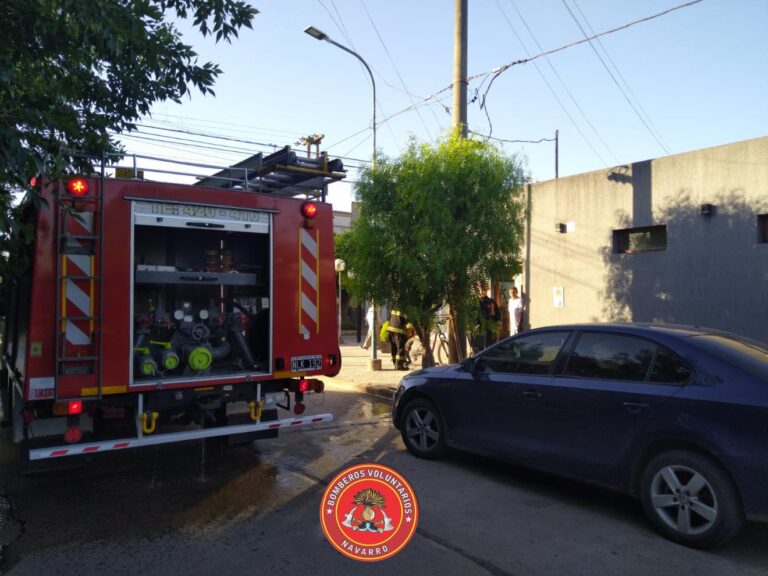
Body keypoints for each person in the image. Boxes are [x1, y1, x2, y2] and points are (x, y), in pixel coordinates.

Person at [471, 282, 500, 355]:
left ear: (487, 290)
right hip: (478, 329)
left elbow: (497, 315)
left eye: (484, 289)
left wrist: (495, 316)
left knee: (489, 347)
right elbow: (471, 315)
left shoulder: (491, 301)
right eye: (481, 289)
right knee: (478, 349)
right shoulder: (474, 301)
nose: (483, 291)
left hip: (489, 328)